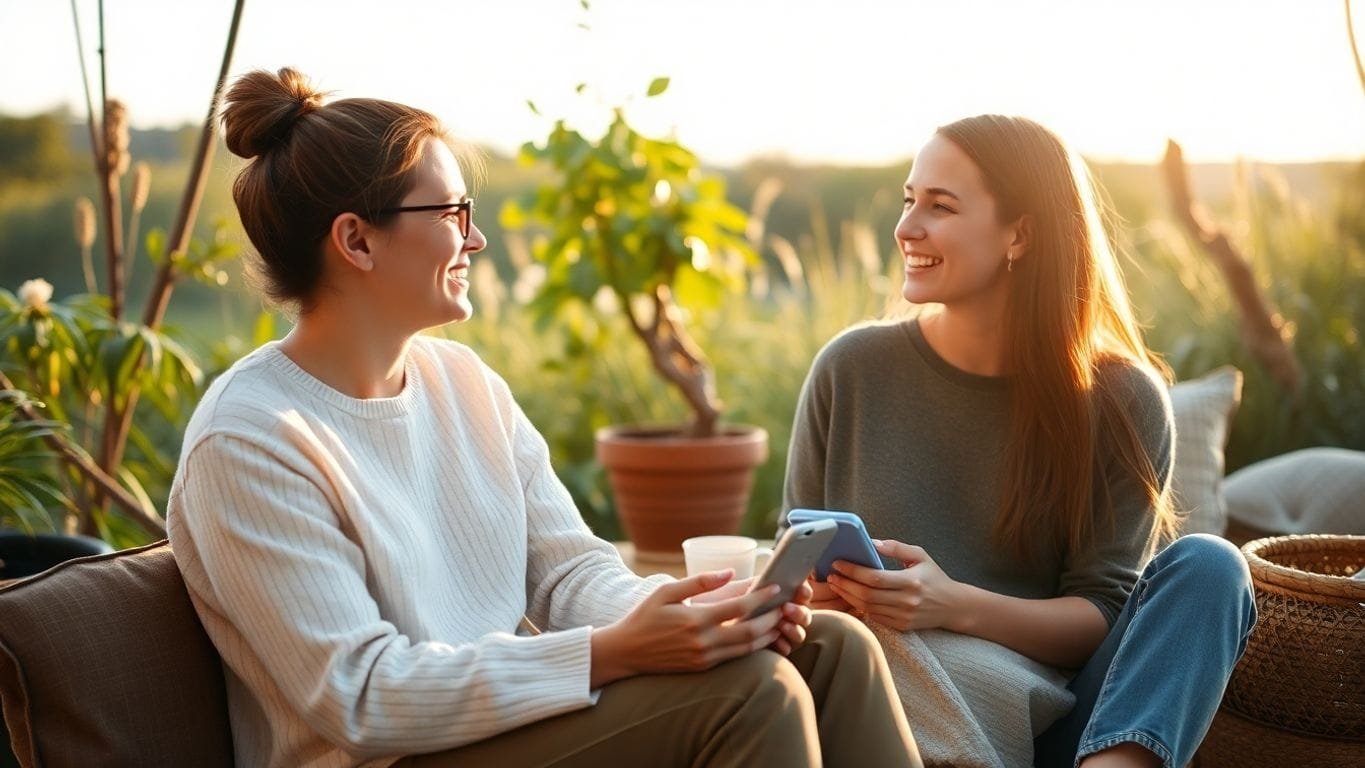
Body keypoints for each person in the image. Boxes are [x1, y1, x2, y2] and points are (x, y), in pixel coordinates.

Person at [166, 67, 922, 768]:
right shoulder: (251, 439)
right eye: (453, 212)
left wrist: (692, 617)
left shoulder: (464, 383)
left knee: (831, 647)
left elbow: (566, 569)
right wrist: (612, 653)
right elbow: (363, 696)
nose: (475, 237)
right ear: (356, 239)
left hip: (503, 728)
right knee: (754, 690)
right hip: (395, 756)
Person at [781, 115, 1256, 768]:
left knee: (1211, 568)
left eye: (939, 206)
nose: (906, 227)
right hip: (890, 715)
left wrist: (949, 604)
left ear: (1020, 233)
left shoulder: (1121, 399)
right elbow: (794, 572)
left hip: (1065, 727)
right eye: (907, 199)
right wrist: (819, 592)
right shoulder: (850, 369)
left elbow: (1100, 617)